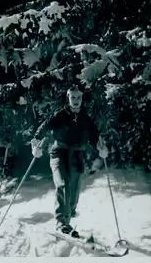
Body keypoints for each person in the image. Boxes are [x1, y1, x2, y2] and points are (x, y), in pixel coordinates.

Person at [30, 86, 108, 237]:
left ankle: (68, 216)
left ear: (82, 98)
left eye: (78, 97)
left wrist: (101, 148)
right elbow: (43, 128)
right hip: (58, 152)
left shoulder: (85, 118)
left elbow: (95, 137)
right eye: (73, 97)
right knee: (62, 183)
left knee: (74, 190)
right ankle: (62, 223)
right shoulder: (60, 114)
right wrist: (36, 145)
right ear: (68, 98)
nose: (76, 100)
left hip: (77, 155)